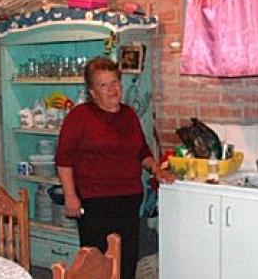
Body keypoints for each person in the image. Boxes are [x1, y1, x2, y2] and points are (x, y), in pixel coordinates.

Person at [55, 56, 174, 279]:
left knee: (127, 261)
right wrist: (70, 196)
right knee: (96, 265)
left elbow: (141, 152)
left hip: (128, 200)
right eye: (103, 84)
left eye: (115, 82)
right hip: (95, 203)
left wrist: (156, 169)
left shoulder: (128, 115)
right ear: (92, 91)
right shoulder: (79, 117)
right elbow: (63, 159)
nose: (112, 89)